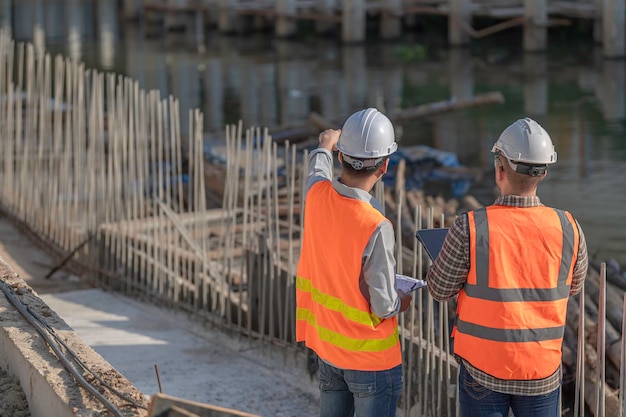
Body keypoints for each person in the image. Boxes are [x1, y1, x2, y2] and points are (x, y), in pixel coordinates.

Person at [426, 117, 589, 417]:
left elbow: (438, 289)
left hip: (483, 370)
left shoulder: (470, 227)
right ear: (543, 173)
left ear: (499, 169)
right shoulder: (570, 228)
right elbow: (574, 286)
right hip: (541, 369)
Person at [295, 108, 413, 417]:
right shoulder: (375, 225)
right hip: (370, 362)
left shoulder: (316, 196)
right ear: (385, 166)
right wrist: (403, 300)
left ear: (340, 157)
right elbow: (384, 305)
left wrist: (324, 145)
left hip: (330, 351)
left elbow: (317, 170)